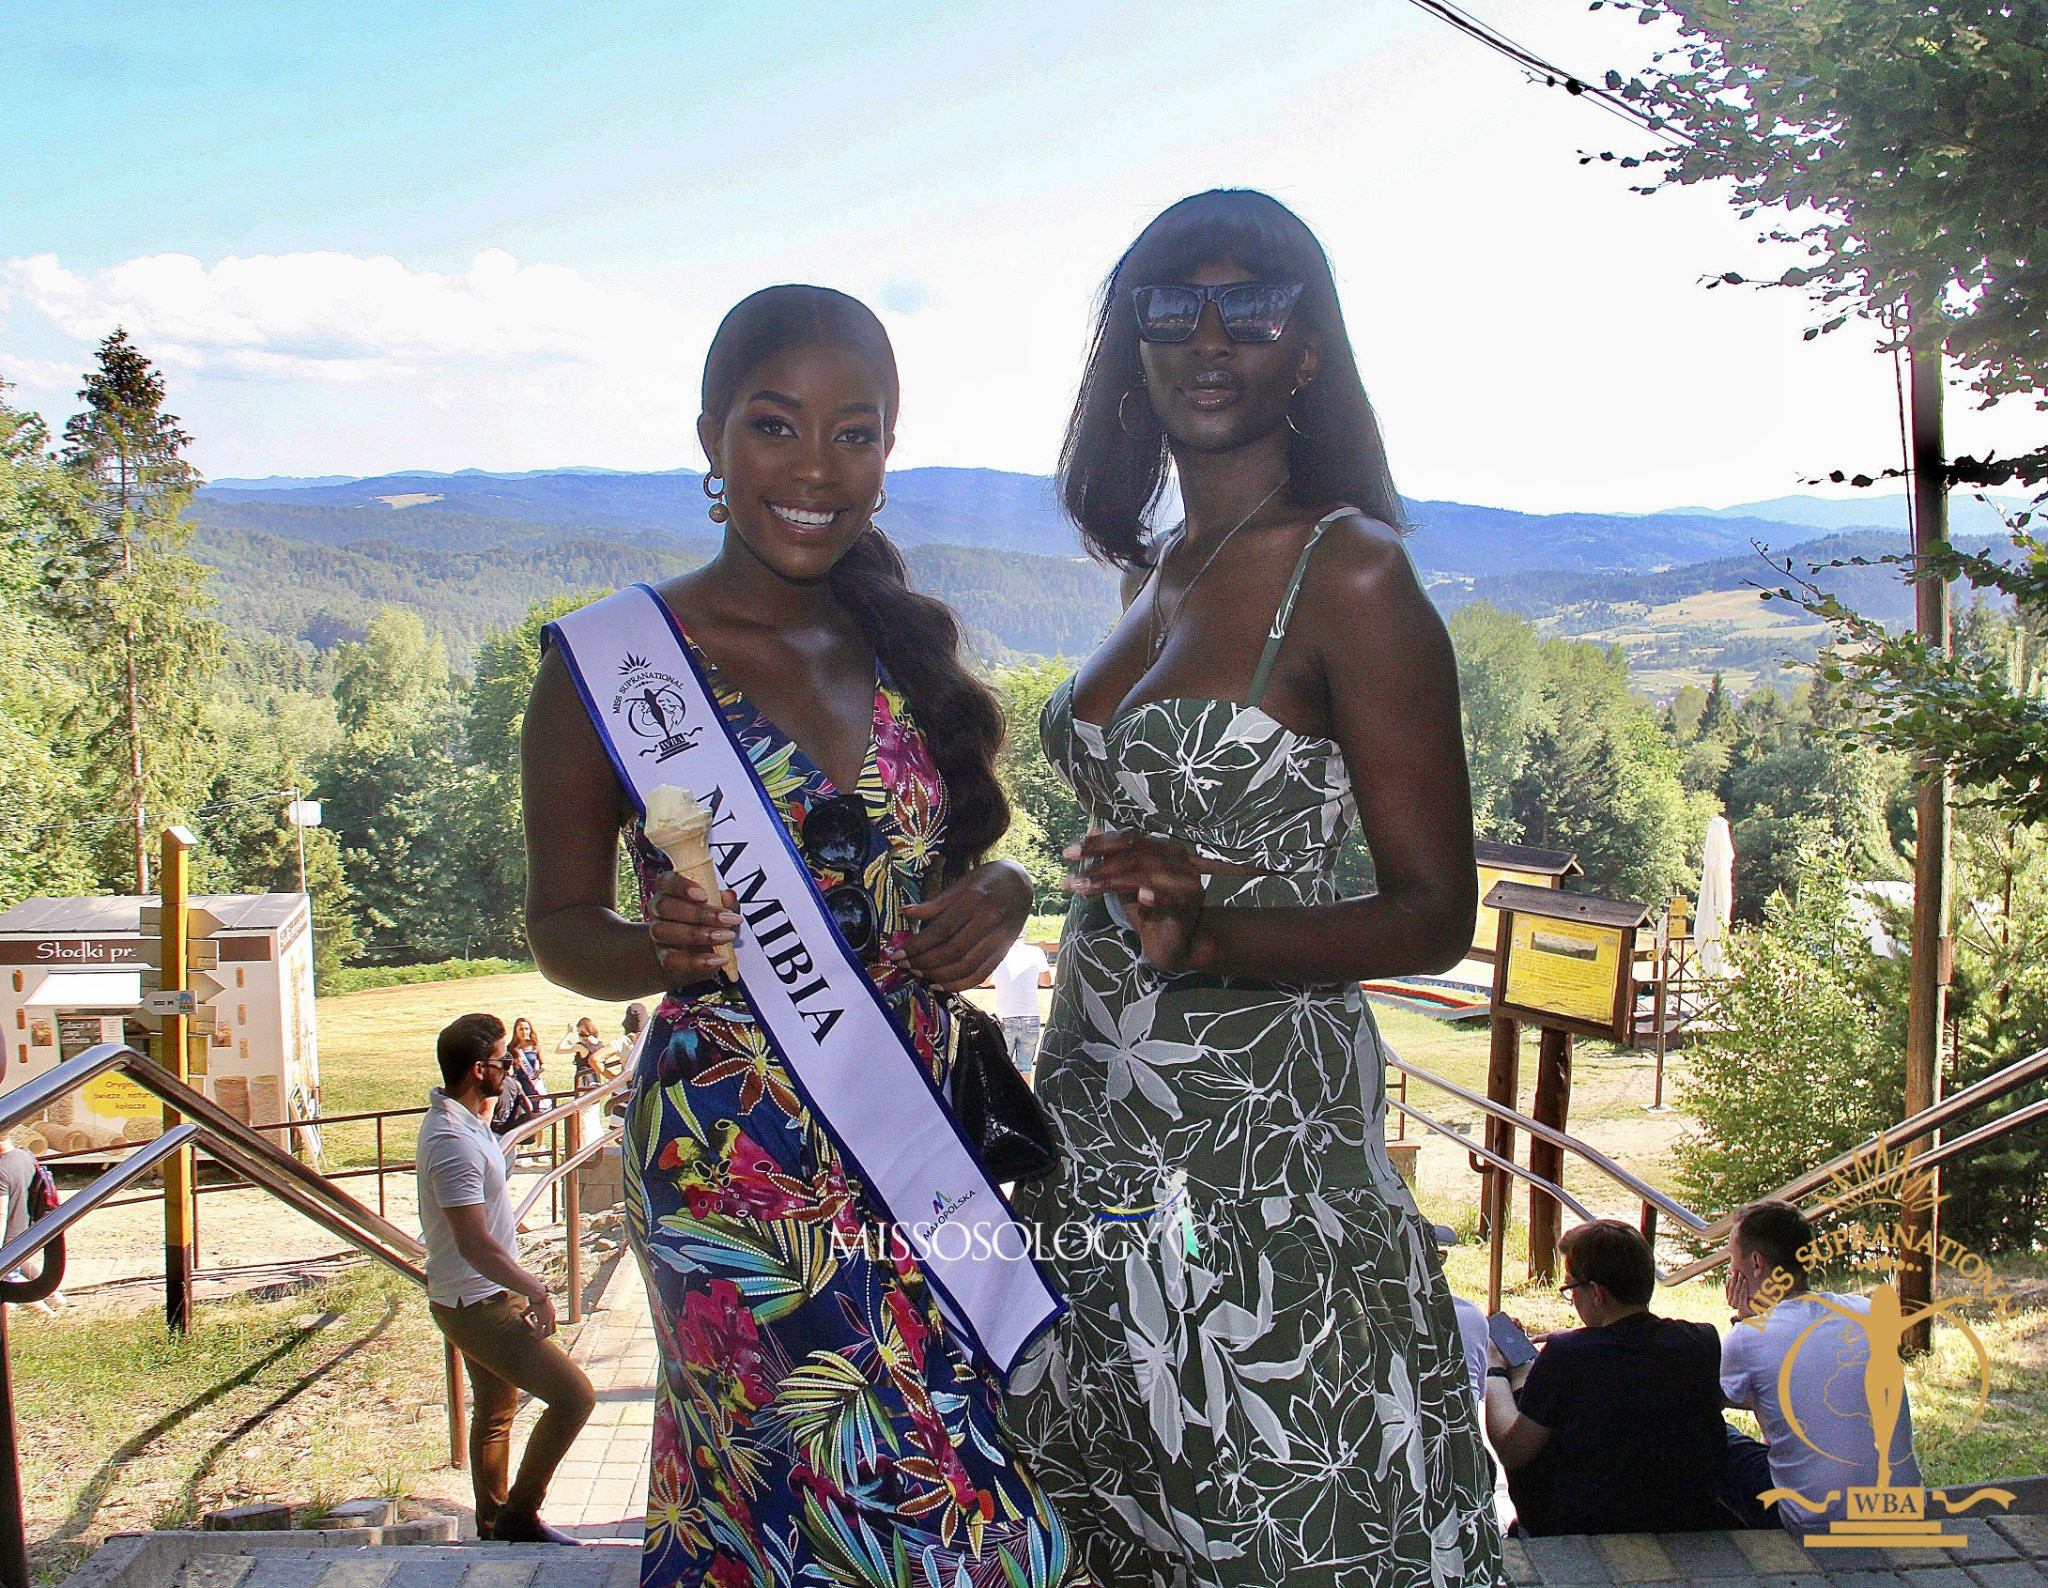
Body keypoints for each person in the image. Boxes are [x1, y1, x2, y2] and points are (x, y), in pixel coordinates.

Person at [521, 285, 1091, 1587]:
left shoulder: (904, 644)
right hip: (738, 1149)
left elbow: (948, 861)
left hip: (919, 1135)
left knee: (945, 1470)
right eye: (777, 426)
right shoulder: (608, 664)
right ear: (713, 439)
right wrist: (651, 946)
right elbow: (561, 930)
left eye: (856, 432)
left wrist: (1001, 897)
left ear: (888, 457)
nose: (815, 469)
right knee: (821, 1484)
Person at [1009, 189, 1502, 1586]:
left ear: (1308, 353)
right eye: (1175, 306)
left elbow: (1432, 912)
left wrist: (1214, 933)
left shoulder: (1353, 575)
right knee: (1138, 1506)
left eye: (1254, 306)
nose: (1210, 336)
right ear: (1135, 348)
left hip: (1256, 1155)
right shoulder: (1164, 567)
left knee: (1269, 1509)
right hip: (1100, 1117)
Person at [417, 1012, 594, 1544]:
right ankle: (519, 1517)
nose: (512, 1064)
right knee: (574, 1398)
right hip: (477, 1303)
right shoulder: (452, 1140)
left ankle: (495, 1524)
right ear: (478, 1069)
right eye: (503, 1059)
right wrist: (536, 1289)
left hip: (476, 1296)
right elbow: (473, 1243)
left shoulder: (466, 1120)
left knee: (496, 1411)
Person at [1483, 1220, 1725, 1536]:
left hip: (1582, 1525)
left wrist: (1495, 1370)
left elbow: (1513, 1451)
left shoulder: (1566, 1355)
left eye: (1570, 1288)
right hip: (1682, 1516)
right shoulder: (1701, 1340)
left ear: (1597, 1293)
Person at [1719, 1199, 1922, 1532]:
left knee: (1714, 1436)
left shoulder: (1747, 1339)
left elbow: (1699, 1406)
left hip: (1817, 1522)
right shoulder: (1867, 1311)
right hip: (1903, 1511)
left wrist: (1743, 1321)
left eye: (1731, 1257)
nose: (1730, 1271)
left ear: (1756, 1264)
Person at [989, 934, 1048, 1081]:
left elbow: (984, 982)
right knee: (1025, 1068)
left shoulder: (998, 953)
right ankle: (1025, 1102)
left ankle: (1006, 1101)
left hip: (1005, 1017)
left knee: (1003, 1067)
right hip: (1030, 1017)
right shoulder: (1036, 952)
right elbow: (1046, 981)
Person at [491, 1016, 546, 1138]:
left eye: (527, 1029)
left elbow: (543, 1064)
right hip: (519, 1086)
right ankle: (523, 1148)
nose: (524, 1031)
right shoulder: (511, 1049)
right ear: (516, 1031)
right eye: (521, 1029)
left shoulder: (535, 1047)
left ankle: (540, 1146)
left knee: (537, 1115)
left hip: (534, 1085)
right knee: (521, 1116)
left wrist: (539, 1070)